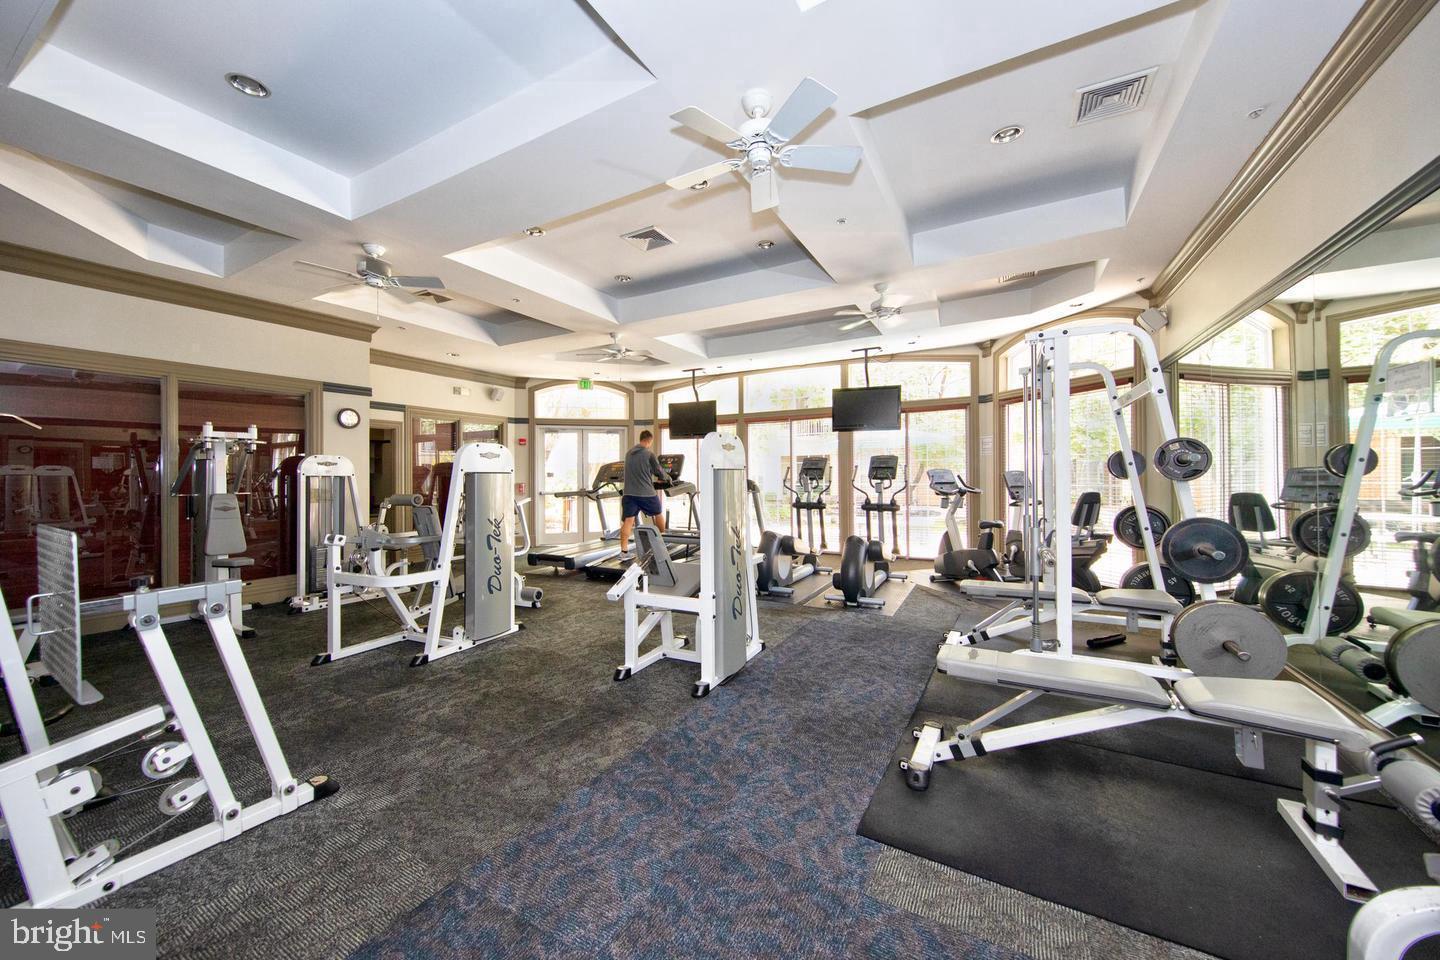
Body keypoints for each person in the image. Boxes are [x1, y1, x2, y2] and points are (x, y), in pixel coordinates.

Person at [619, 430, 670, 559]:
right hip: (645, 493)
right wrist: (668, 478)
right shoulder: (649, 454)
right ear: (649, 441)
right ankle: (663, 543)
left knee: (628, 520)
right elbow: (659, 471)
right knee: (658, 513)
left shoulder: (628, 453)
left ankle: (623, 552)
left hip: (629, 493)